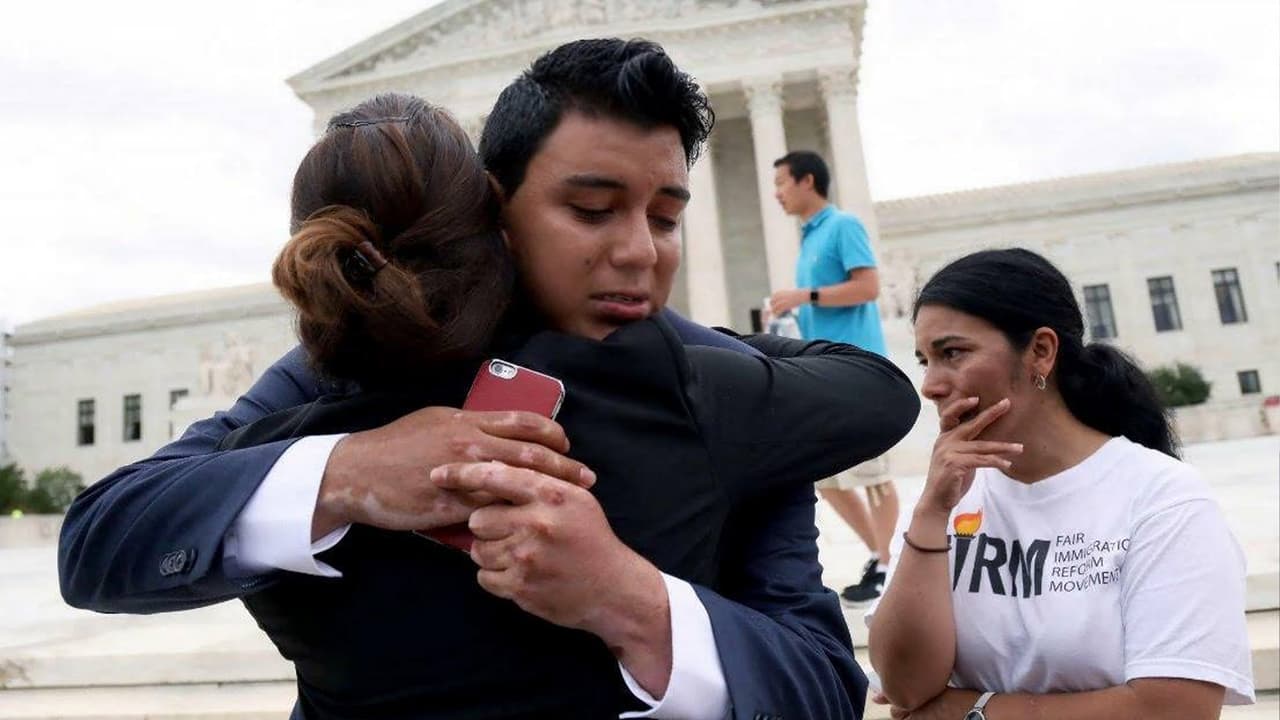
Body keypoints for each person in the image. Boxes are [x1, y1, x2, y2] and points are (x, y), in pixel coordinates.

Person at [59, 39, 917, 720]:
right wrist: (352, 471)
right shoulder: (356, 369)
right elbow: (105, 536)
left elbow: (821, 687)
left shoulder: (717, 390)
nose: (638, 252)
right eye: (589, 210)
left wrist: (633, 603)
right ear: (494, 211)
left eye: (665, 217)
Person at [866, 248, 1255, 719]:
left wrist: (969, 712)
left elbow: (1175, 711)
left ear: (1041, 351)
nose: (930, 384)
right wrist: (930, 516)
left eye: (952, 353)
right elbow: (905, 688)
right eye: (925, 359)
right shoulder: (942, 500)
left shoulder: (1164, 500)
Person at [767, 149, 900, 605]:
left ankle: (887, 565)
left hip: (863, 368)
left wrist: (804, 295)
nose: (777, 193)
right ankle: (881, 558)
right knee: (828, 478)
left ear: (807, 181)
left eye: (782, 182)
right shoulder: (808, 241)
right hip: (828, 371)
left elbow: (868, 287)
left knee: (874, 475)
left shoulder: (844, 226)